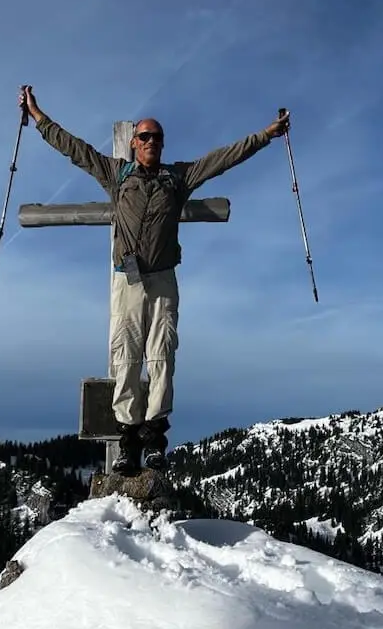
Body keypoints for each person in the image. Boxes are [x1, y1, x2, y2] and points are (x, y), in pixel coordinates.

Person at [18, 85, 290, 475]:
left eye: (157, 137)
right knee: (125, 357)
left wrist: (266, 134)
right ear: (133, 143)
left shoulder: (177, 178)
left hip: (162, 280)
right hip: (126, 282)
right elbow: (74, 149)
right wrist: (38, 116)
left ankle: (155, 441)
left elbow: (225, 158)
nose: (151, 142)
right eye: (145, 136)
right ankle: (128, 442)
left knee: (162, 357)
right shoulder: (117, 175)